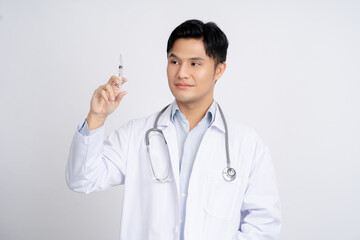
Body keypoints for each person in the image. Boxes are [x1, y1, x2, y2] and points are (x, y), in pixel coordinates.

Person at [66, 19, 281, 240]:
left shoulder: (246, 143)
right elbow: (82, 179)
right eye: (174, 61)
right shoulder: (137, 134)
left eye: (195, 64)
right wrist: (97, 117)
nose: (181, 73)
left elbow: (263, 225)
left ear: (219, 70)